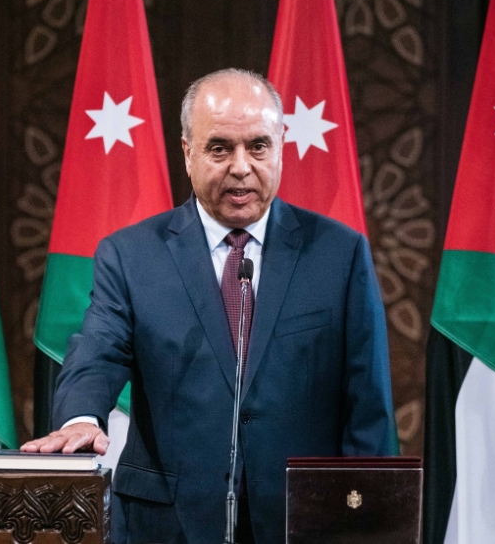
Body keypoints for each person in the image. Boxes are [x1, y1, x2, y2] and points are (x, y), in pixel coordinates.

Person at [22, 69, 397, 544]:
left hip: (303, 520)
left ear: (281, 146)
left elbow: (368, 408)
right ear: (188, 153)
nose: (241, 167)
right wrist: (81, 418)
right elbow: (98, 352)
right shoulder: (131, 255)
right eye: (220, 148)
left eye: (258, 146)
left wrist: (366, 525)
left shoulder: (339, 254)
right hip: (167, 525)